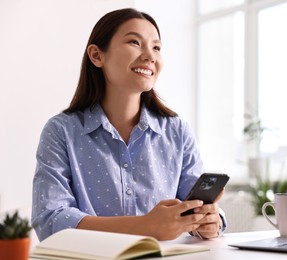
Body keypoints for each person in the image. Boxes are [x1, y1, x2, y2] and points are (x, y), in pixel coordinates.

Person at [31, 8, 227, 241]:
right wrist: (145, 226)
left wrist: (210, 222)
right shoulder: (61, 131)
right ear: (97, 56)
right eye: (135, 42)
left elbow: (194, 207)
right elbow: (50, 220)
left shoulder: (178, 131)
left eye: (156, 47)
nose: (150, 56)